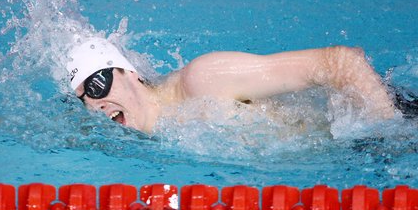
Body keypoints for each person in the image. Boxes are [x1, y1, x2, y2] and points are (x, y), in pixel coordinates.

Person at [66, 37, 398, 134]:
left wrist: (386, 132)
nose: (95, 103)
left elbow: (341, 61)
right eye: (83, 99)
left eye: (96, 85)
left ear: (129, 72)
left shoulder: (202, 80)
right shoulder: (161, 132)